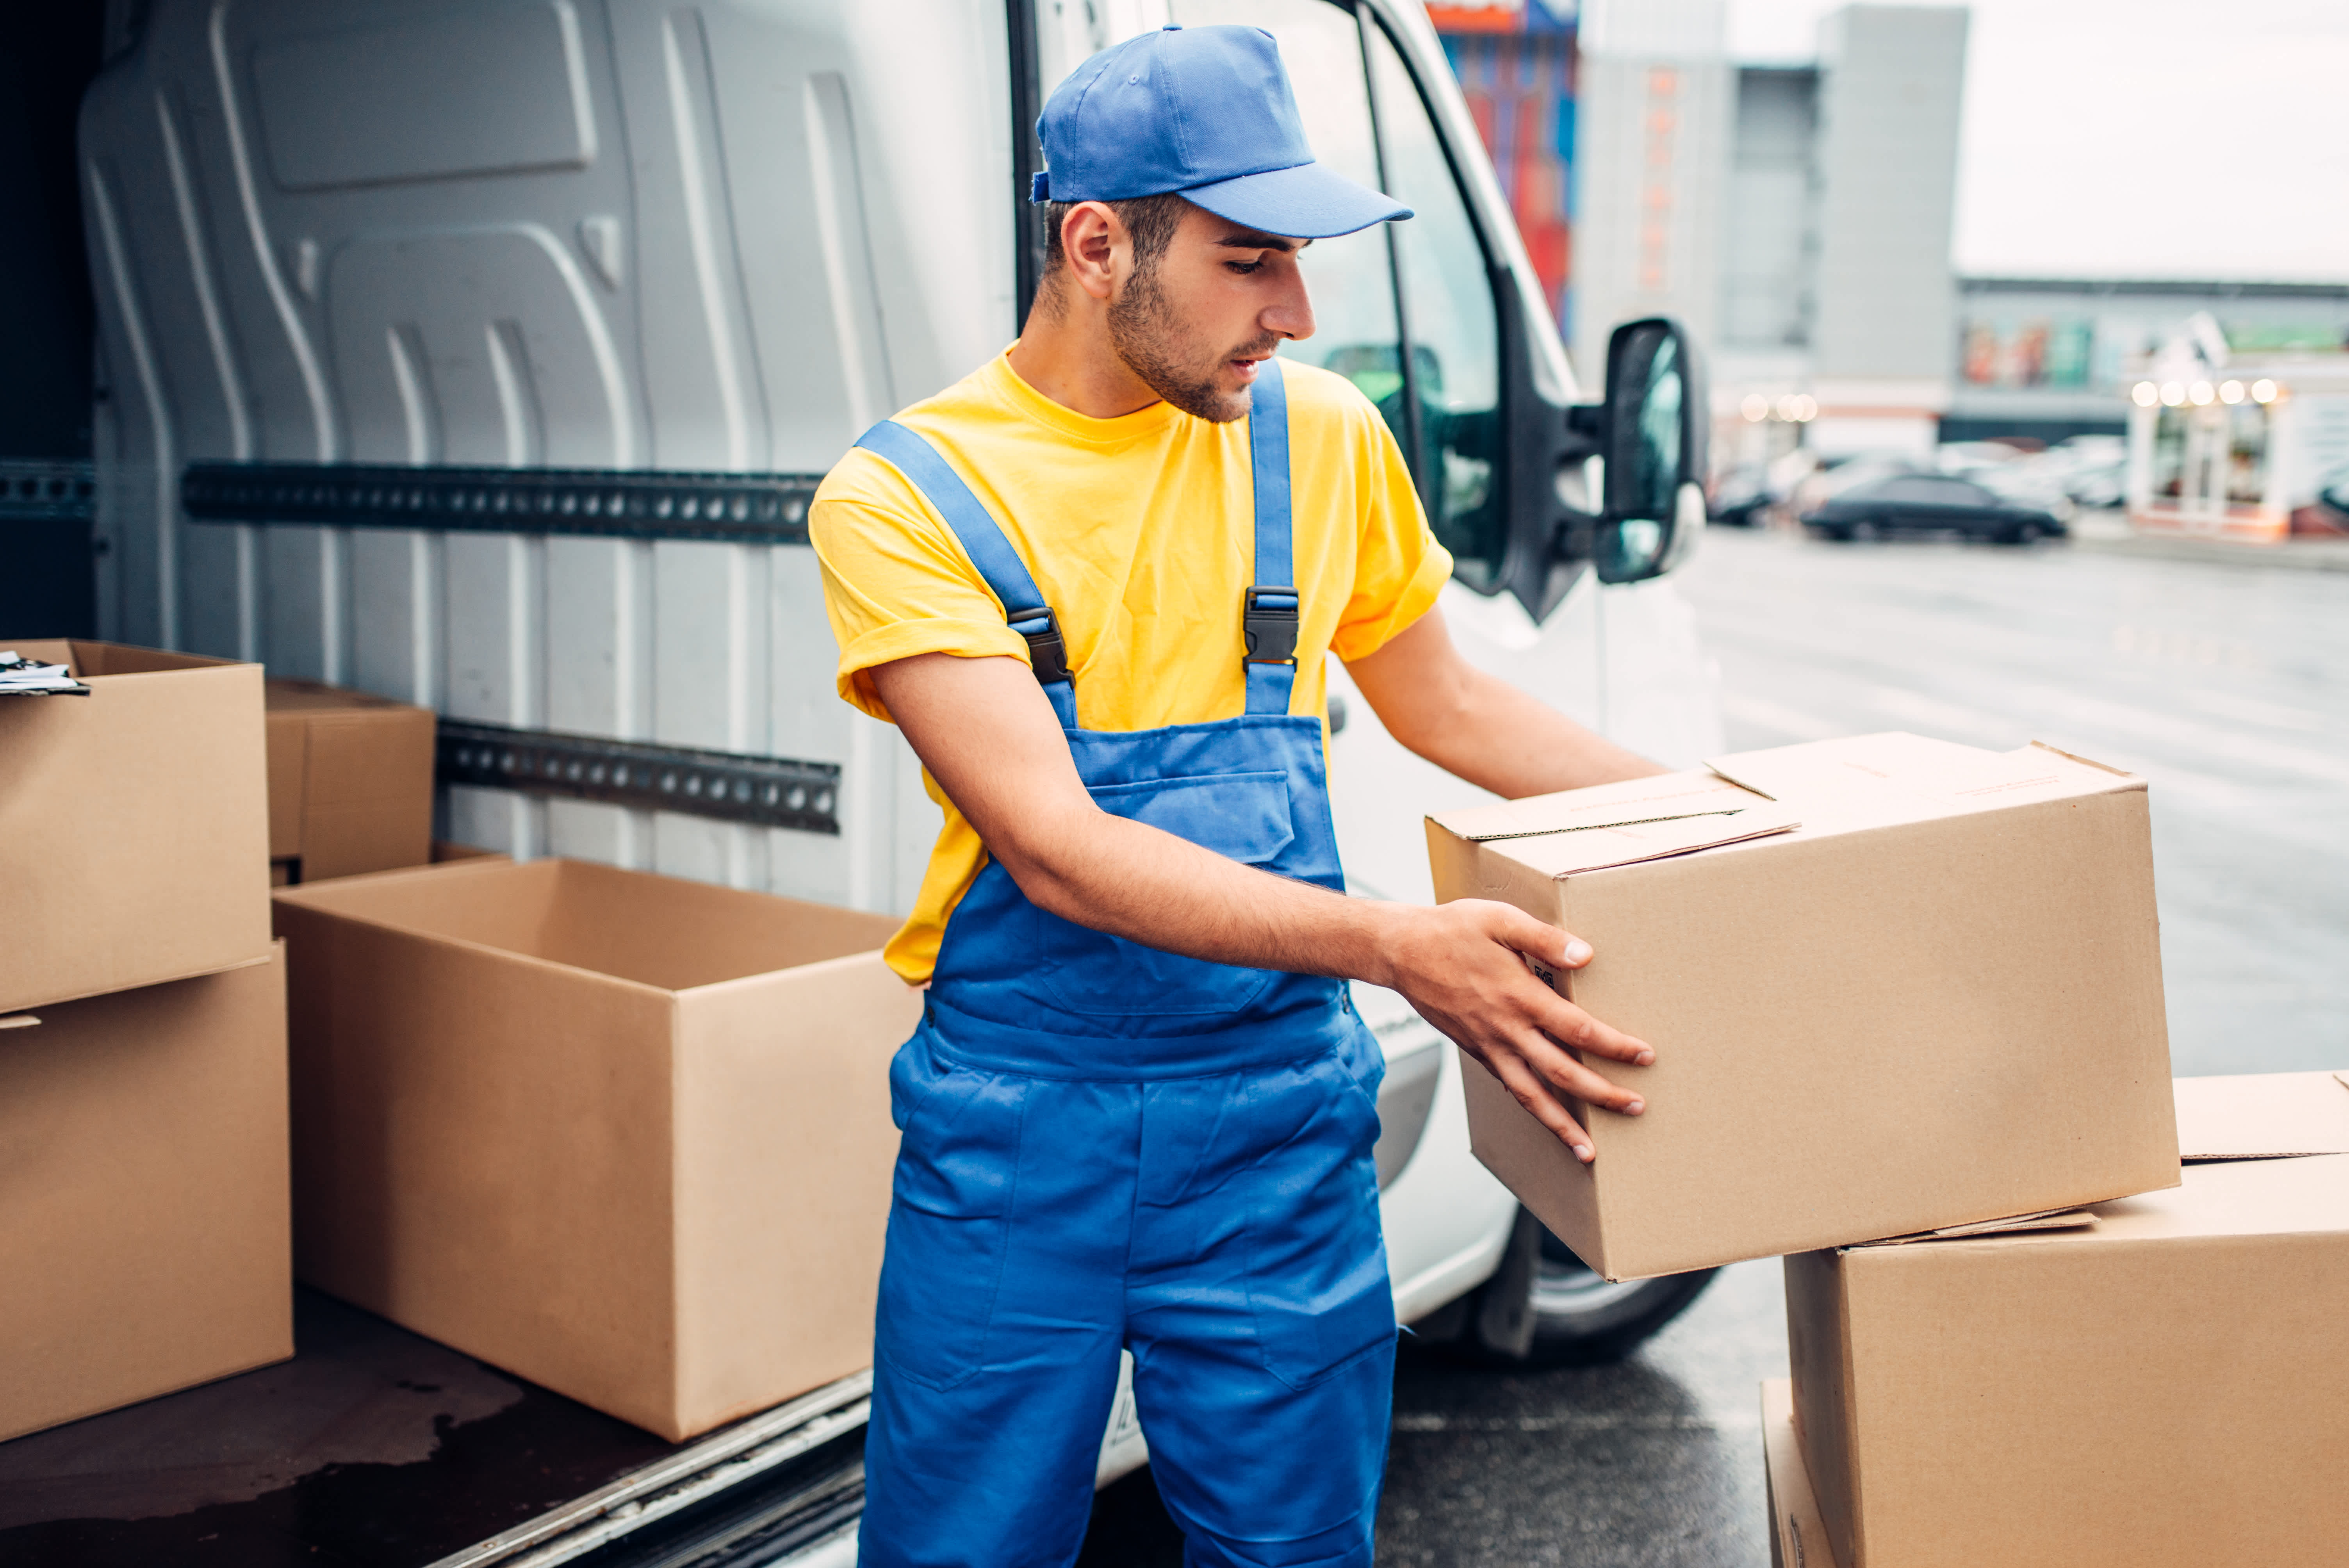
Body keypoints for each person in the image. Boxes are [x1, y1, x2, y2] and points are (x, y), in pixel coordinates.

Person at [812, 24, 1664, 1566]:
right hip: (1020, 1137)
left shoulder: (1318, 434)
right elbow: (1058, 851)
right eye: (1250, 258)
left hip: (1275, 1126)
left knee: (1295, 1549)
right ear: (1094, 244)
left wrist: (1745, 814)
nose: (1298, 310)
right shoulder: (905, 496)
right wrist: (1406, 945)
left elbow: (1453, 704)